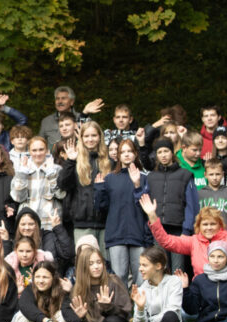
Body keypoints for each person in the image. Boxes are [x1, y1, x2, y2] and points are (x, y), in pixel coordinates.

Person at [142, 194, 227, 276]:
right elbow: (166, 242)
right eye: (205, 224)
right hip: (202, 291)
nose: (209, 228)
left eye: (213, 224)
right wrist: (152, 216)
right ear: (199, 226)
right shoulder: (193, 241)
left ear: (220, 225)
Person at [112, 246, 182, 322]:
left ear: (158, 266)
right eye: (140, 265)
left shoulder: (174, 282)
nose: (140, 269)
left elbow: (172, 308)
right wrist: (140, 308)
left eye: (144, 265)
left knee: (170, 316)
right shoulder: (141, 289)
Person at [96, 138, 150, 287]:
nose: (126, 154)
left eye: (130, 151)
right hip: (116, 235)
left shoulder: (145, 178)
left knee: (142, 279)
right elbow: (101, 208)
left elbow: (146, 208)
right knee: (119, 279)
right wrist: (99, 189)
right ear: (118, 156)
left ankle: (139, 304)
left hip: (138, 235)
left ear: (135, 154)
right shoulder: (110, 178)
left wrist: (137, 184)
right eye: (123, 152)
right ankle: (122, 304)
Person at [64, 245, 131, 322]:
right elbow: (71, 315)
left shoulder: (113, 281)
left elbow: (125, 312)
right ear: (84, 267)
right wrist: (80, 317)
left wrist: (109, 307)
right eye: (91, 264)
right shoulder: (77, 288)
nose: (96, 266)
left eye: (99, 262)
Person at [144, 137, 198, 274]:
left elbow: (192, 206)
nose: (163, 155)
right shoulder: (151, 177)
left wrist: (186, 231)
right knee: (160, 269)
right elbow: (145, 202)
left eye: (166, 151)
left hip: (178, 231)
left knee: (178, 270)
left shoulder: (185, 175)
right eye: (160, 152)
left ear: (172, 153)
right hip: (158, 230)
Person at [59, 121, 110, 250]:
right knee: (85, 260)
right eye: (86, 136)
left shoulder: (109, 161)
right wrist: (70, 161)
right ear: (81, 138)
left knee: (105, 261)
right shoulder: (75, 160)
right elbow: (63, 184)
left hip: (106, 223)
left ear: (100, 137)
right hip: (82, 223)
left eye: (94, 135)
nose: (90, 139)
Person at [11, 135, 64, 230]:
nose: (38, 153)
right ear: (29, 151)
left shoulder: (57, 169)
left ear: (47, 150)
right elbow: (18, 198)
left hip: (50, 221)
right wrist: (22, 174)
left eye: (41, 149)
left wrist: (51, 175)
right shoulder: (22, 170)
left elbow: (61, 195)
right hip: (28, 222)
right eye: (34, 150)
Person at [38, 86, 103, 147]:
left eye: (63, 98)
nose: (60, 101)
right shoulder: (46, 121)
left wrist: (84, 114)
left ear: (72, 102)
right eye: (57, 99)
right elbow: (39, 143)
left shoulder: (83, 118)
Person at [196, 158, 227, 229]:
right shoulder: (199, 194)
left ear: (223, 174)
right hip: (206, 232)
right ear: (205, 175)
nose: (215, 178)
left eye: (217, 174)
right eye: (211, 174)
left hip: (226, 233)